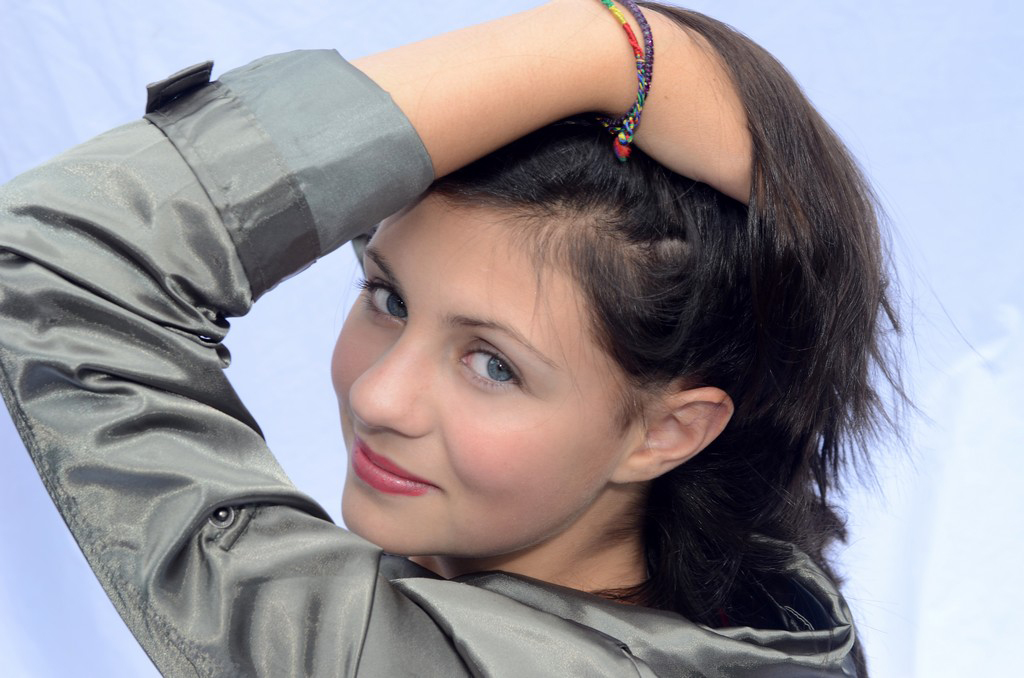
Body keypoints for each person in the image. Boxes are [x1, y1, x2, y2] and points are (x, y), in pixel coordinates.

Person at [0, 0, 901, 675]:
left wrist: (601, 48)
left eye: (493, 364)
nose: (376, 397)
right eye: (387, 298)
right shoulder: (776, 619)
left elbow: (57, 253)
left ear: (668, 430)